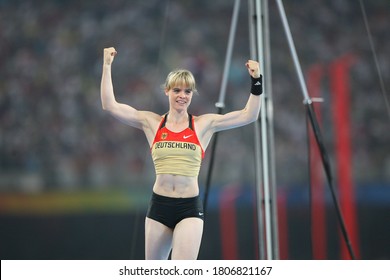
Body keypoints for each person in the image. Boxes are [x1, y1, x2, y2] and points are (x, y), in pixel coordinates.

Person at [100, 47, 263, 260]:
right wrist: (106, 65)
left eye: (187, 92)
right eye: (177, 90)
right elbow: (109, 105)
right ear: (167, 91)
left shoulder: (203, 124)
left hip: (189, 208)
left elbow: (248, 115)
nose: (182, 96)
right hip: (159, 206)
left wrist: (257, 80)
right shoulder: (152, 123)